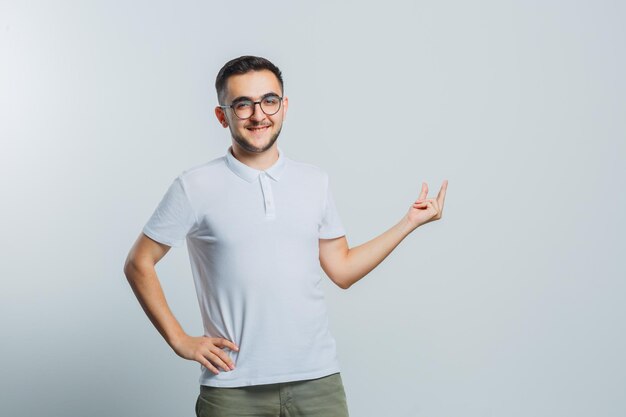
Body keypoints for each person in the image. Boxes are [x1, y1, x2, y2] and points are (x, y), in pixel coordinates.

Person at [123, 55, 448, 417]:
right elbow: (139, 262)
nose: (258, 114)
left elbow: (342, 270)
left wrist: (409, 222)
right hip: (233, 387)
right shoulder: (195, 186)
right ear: (222, 116)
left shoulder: (314, 181)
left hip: (318, 381)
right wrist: (179, 339)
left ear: (284, 106)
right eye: (242, 104)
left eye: (269, 100)